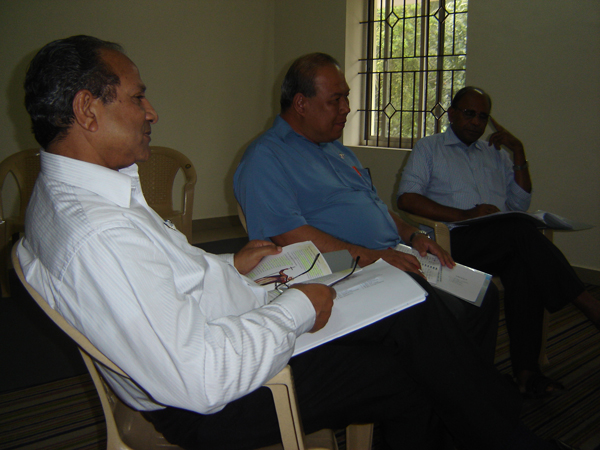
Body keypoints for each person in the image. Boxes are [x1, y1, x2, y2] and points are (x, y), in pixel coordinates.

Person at [19, 36, 572, 450]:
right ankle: (504, 428)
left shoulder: (74, 194)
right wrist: (298, 307)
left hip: (226, 324)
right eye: (138, 97)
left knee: (412, 319)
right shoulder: (99, 231)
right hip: (216, 398)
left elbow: (162, 276)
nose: (151, 112)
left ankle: (492, 419)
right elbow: (201, 380)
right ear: (87, 110)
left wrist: (228, 264)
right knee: (413, 356)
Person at [234, 53, 499, 365]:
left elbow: (376, 207)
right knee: (440, 311)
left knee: (483, 293)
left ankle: (464, 380)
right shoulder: (266, 157)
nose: (347, 107)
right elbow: (288, 237)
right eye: (336, 99)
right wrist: (374, 257)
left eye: (346, 97)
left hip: (390, 254)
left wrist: (413, 235)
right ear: (301, 104)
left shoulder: (336, 150)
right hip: (340, 269)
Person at [396, 86, 600, 398]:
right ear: (452, 114)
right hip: (451, 242)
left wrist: (518, 153)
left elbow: (519, 203)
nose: (476, 122)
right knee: (519, 231)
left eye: (483, 116)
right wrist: (465, 214)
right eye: (469, 114)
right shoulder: (430, 147)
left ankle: (527, 373)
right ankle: (588, 304)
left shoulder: (494, 153)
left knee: (523, 262)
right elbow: (407, 199)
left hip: (500, 241)